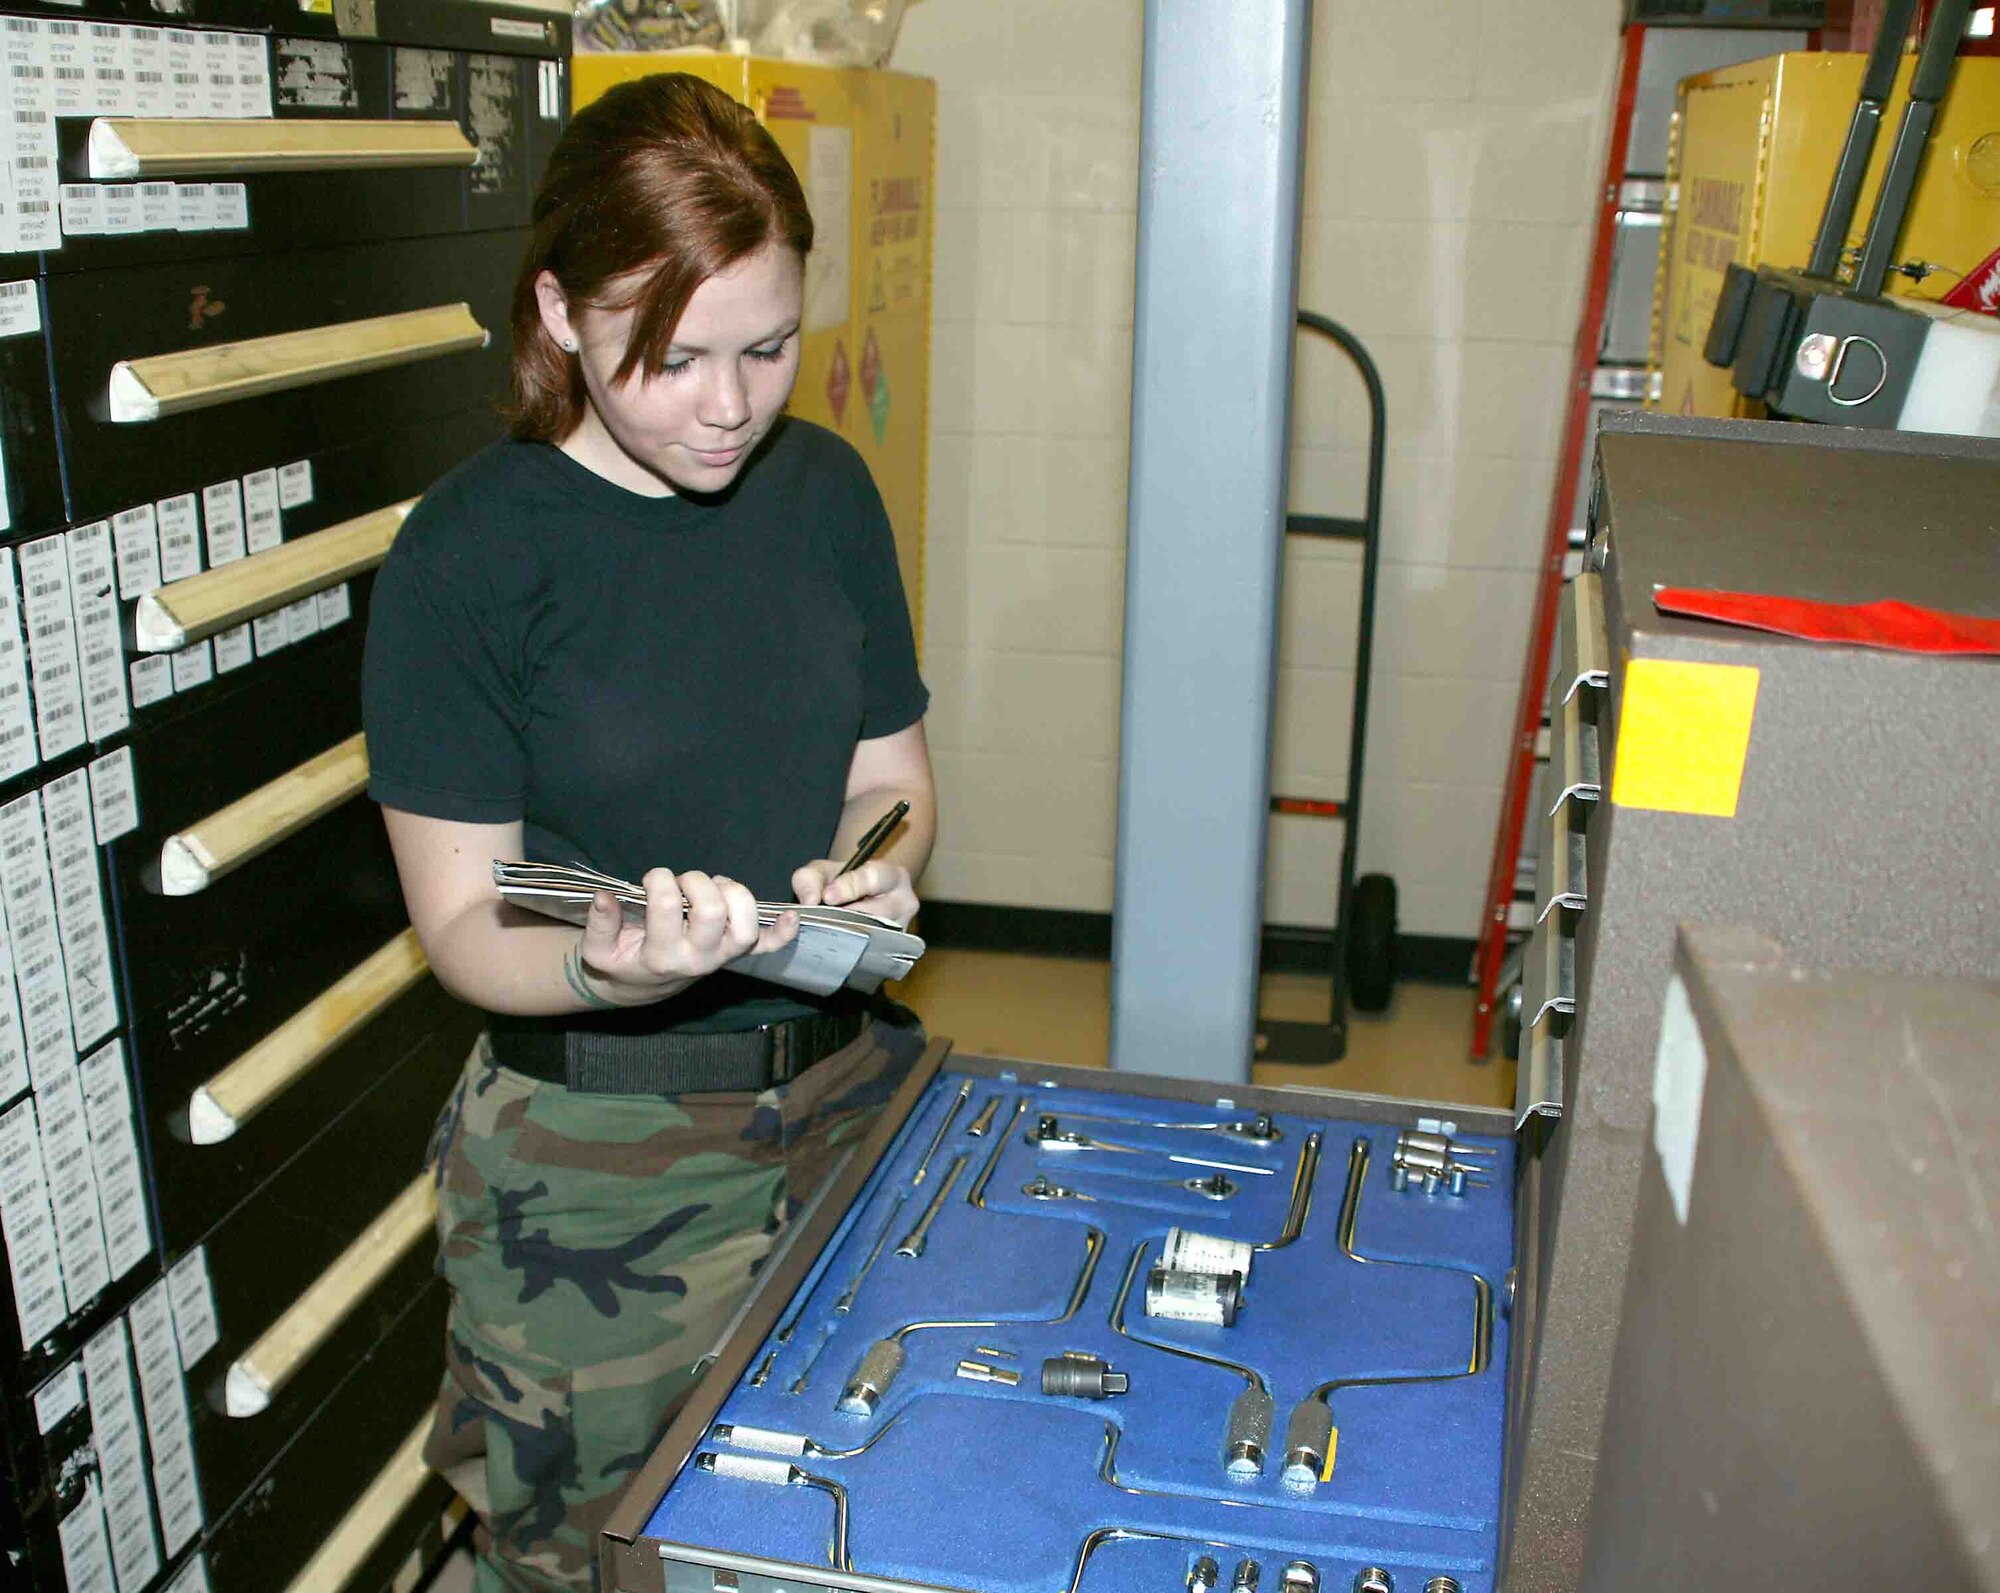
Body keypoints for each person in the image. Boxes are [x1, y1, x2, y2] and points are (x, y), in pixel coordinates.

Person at [360, 72, 934, 1592]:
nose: (732, 405)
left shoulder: (827, 496)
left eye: (768, 346)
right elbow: (468, 925)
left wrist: (880, 857)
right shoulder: (468, 559)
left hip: (849, 1101)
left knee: (837, 1529)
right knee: (586, 1566)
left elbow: (895, 767)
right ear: (557, 312)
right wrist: (616, 973)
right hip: (593, 1175)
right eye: (674, 358)